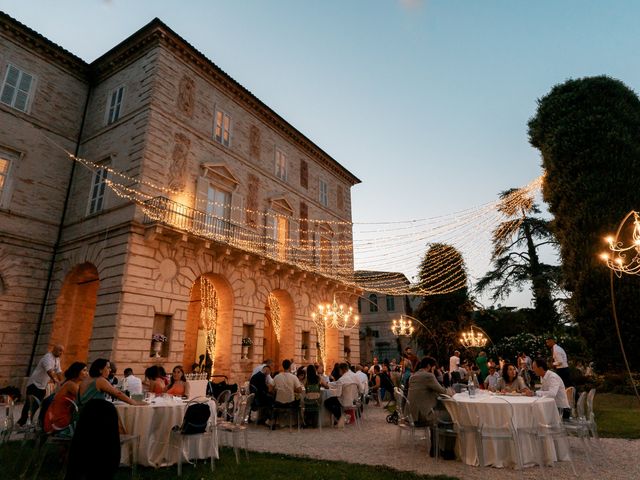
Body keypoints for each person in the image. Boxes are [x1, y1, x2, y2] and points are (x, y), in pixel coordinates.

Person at [407, 356, 446, 456]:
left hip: (411, 414)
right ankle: (439, 448)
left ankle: (437, 446)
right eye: (434, 367)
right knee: (445, 416)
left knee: (438, 413)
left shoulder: (414, 375)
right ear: (429, 366)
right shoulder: (428, 376)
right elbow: (442, 391)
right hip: (421, 416)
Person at [18, 344, 64, 426]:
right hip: (34, 384)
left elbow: (59, 371)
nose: (61, 353)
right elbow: (50, 371)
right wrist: (56, 381)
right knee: (29, 405)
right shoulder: (47, 358)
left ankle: (27, 423)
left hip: (42, 386)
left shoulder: (57, 359)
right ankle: (21, 423)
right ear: (54, 349)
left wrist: (63, 382)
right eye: (60, 350)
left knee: (36, 406)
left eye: (62, 351)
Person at [44, 362, 88, 435]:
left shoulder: (71, 383)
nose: (87, 373)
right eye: (84, 370)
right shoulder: (71, 385)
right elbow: (84, 399)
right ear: (77, 372)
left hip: (55, 417)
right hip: (58, 420)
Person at [78, 359, 144, 407]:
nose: (110, 370)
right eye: (108, 368)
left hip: (81, 415)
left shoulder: (86, 380)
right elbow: (118, 394)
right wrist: (134, 402)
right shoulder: (100, 380)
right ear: (100, 370)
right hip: (91, 416)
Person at [323, 363, 361, 428]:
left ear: (342, 369)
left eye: (339, 370)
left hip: (344, 401)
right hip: (354, 401)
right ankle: (342, 417)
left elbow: (338, 394)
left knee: (327, 402)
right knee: (334, 401)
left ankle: (341, 416)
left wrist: (329, 388)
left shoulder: (342, 379)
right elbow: (361, 389)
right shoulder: (356, 376)